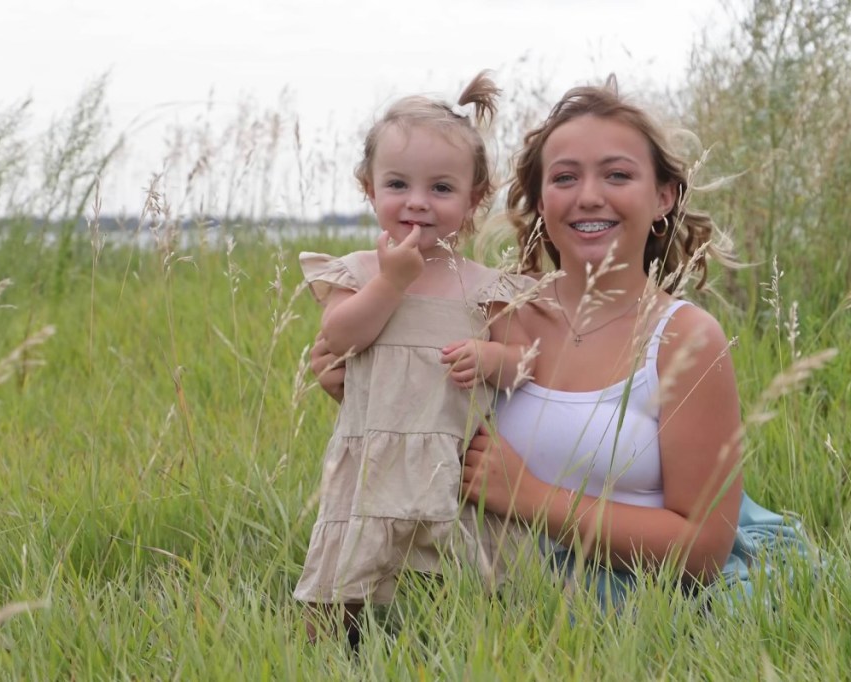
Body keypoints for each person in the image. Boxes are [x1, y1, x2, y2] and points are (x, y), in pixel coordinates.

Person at [310, 77, 810, 611]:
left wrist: (532, 498)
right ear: (541, 200)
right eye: (565, 177)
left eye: (617, 174)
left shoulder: (684, 339)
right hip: (491, 590)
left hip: (643, 600)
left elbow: (704, 550)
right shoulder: (494, 310)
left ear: (663, 196)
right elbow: (431, 430)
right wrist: (360, 384)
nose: (588, 196)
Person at [294, 71, 537, 643]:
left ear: (474, 198)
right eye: (398, 184)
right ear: (369, 188)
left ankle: (441, 648)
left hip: (452, 458)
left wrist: (492, 357)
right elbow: (339, 338)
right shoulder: (360, 271)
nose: (418, 202)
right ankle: (319, 656)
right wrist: (392, 282)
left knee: (457, 582)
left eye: (441, 189)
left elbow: (526, 361)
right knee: (340, 580)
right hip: (370, 458)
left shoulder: (484, 286)